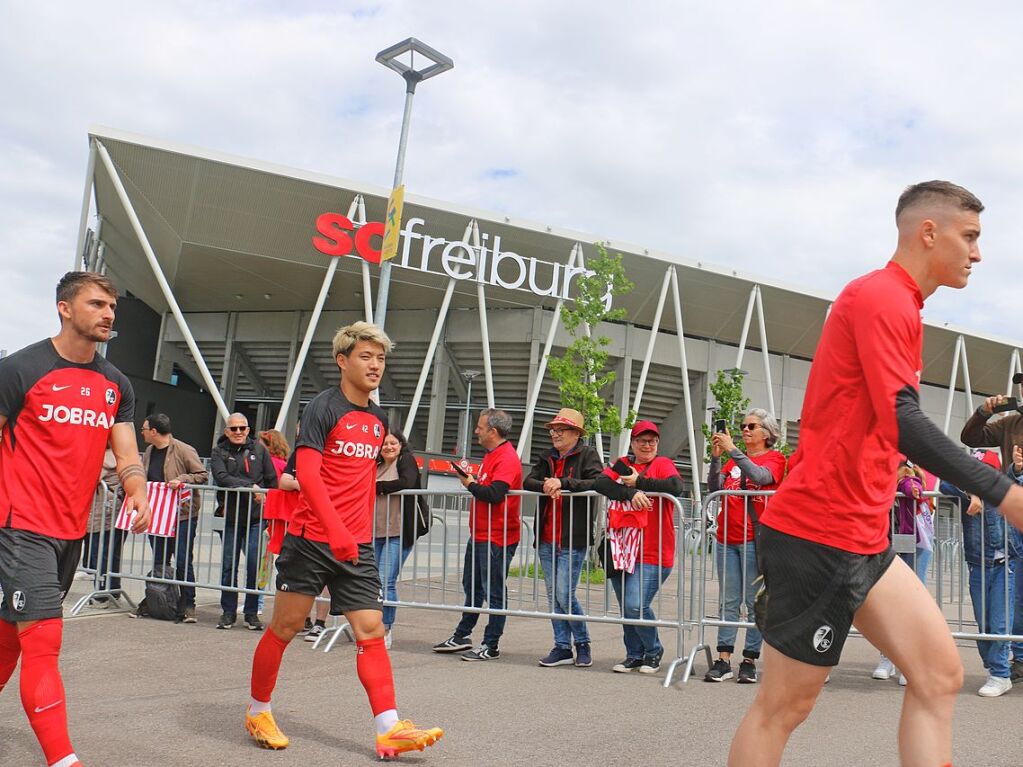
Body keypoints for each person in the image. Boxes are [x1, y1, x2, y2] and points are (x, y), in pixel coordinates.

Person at [726, 181, 1023, 767]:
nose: (978, 254)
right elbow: (901, 419)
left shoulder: (903, 306)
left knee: (938, 677)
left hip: (863, 539)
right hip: (815, 534)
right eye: (970, 237)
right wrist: (1003, 493)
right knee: (783, 708)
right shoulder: (881, 297)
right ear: (928, 232)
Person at [245, 321, 442, 759]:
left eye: (381, 358)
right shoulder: (322, 407)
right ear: (343, 360)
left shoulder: (378, 417)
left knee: (370, 631)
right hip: (312, 539)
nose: (376, 365)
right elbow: (310, 474)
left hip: (357, 544)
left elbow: (358, 478)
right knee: (286, 627)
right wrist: (335, 530)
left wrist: (353, 530)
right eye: (366, 357)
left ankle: (389, 728)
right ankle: (259, 709)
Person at [0, 271, 151, 767]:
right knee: (44, 638)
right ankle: (63, 759)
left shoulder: (115, 384)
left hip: (72, 529)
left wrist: (136, 488)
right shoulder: (20, 368)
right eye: (97, 304)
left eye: (112, 306)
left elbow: (126, 451)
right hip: (20, 526)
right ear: (65, 308)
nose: (109, 313)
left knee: (9, 636)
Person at [432, 408, 523, 661]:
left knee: (493, 591)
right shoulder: (491, 454)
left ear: (492, 431)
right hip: (482, 534)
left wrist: (470, 483)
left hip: (498, 536)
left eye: (480, 427)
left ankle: (491, 644)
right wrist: (472, 481)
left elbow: (495, 494)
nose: (476, 431)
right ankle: (462, 634)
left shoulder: (506, 457)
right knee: (472, 587)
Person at [704, 408, 786, 685]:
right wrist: (717, 459)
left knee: (754, 602)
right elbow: (714, 487)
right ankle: (723, 657)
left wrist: (733, 451)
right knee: (728, 601)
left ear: (767, 433)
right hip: (727, 538)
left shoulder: (775, 458)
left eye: (751, 426)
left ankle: (749, 659)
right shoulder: (732, 461)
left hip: (755, 539)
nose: (745, 430)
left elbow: (762, 477)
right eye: (743, 426)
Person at [594, 420, 683, 674]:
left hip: (654, 550)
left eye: (652, 440)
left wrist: (639, 482)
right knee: (627, 608)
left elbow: (676, 487)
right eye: (642, 440)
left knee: (635, 605)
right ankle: (634, 654)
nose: (647, 445)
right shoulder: (623, 463)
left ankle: (653, 651)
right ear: (633, 442)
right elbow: (601, 483)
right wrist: (629, 493)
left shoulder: (662, 464)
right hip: (622, 548)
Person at [523, 407, 602, 668]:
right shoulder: (546, 456)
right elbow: (528, 481)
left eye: (561, 429)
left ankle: (582, 642)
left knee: (564, 594)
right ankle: (561, 646)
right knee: (552, 594)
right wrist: (547, 484)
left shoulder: (588, 455)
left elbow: (597, 482)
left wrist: (563, 483)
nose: (555, 434)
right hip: (547, 536)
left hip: (572, 536)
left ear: (576, 433)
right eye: (553, 429)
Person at [939, 450, 1022, 697]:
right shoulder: (967, 496)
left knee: (999, 624)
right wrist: (970, 492)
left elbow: (1017, 480)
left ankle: (1000, 674)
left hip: (1005, 564)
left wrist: (1017, 469)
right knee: (982, 623)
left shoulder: (1004, 490)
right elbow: (944, 482)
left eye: (982, 470)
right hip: (977, 565)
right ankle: (994, 666)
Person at [961, 372, 1023, 681]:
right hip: (1012, 520)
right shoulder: (1010, 423)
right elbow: (969, 439)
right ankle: (1018, 661)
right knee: (1015, 599)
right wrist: (984, 412)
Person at [135, 413, 208, 622]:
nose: (142, 433)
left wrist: (183, 479)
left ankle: (188, 603)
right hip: (158, 513)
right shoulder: (149, 451)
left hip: (182, 514)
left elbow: (202, 474)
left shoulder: (184, 450)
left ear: (154, 431)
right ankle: (156, 599)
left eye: (144, 429)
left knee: (184, 559)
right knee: (159, 558)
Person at [374, 428, 427, 648]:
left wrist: (378, 487)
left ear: (401, 445)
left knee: (386, 580)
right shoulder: (376, 466)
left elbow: (407, 482)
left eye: (393, 443)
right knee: (375, 582)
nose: (388, 447)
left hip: (398, 531)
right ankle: (374, 626)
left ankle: (386, 628)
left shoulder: (406, 461)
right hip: (375, 531)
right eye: (384, 444)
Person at [83, 448, 125, 607]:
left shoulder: (105, 458)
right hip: (114, 511)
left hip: (103, 513)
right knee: (112, 554)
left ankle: (101, 594)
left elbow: (89, 479)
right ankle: (113, 590)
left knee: (100, 554)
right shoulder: (120, 455)